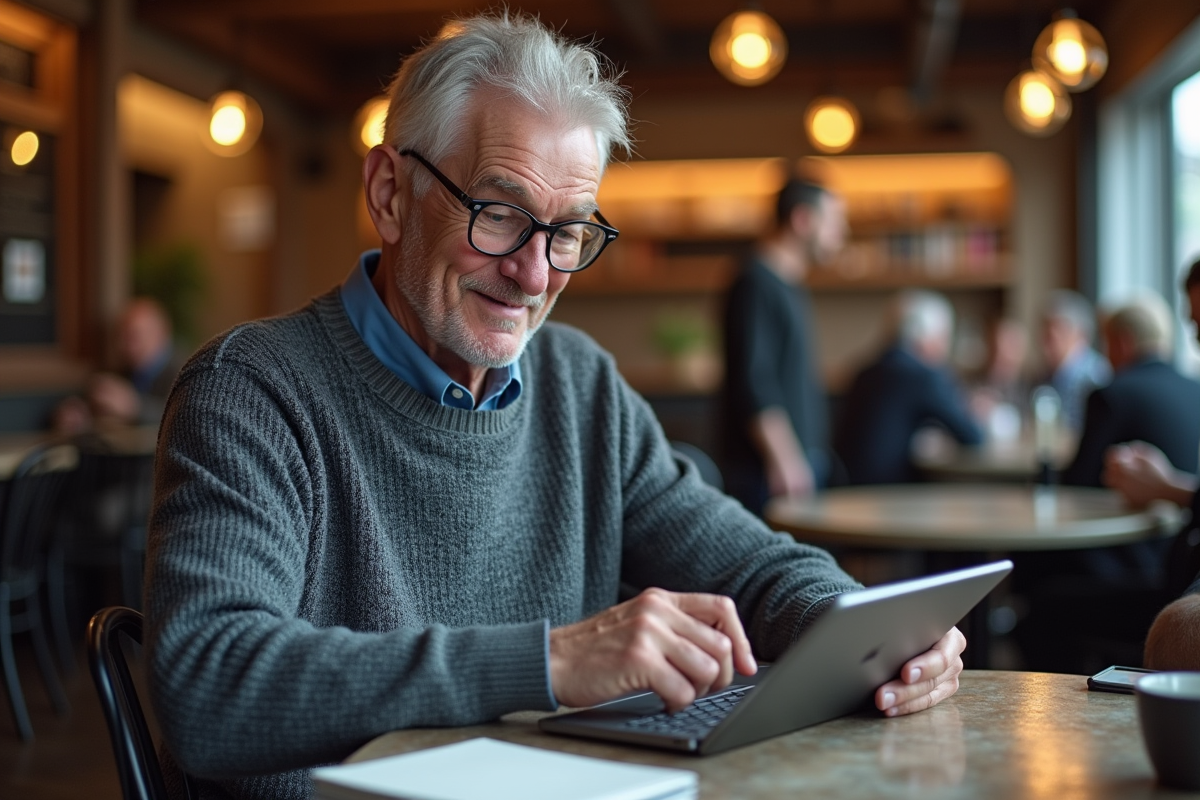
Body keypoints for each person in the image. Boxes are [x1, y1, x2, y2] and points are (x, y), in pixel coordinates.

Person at [143, 14, 966, 800]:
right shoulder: (252, 388)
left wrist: (867, 630)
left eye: (568, 232)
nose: (535, 275)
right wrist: (546, 663)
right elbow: (205, 681)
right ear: (390, 194)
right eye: (500, 215)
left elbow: (748, 564)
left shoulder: (579, 382)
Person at [720, 179, 847, 515]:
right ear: (803, 219)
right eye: (834, 221)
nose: (842, 231)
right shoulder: (755, 283)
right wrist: (787, 461)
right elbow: (755, 382)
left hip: (797, 464)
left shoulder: (788, 283)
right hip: (770, 474)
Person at [834, 290, 983, 485]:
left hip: (849, 490)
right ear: (929, 338)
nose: (944, 349)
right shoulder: (922, 376)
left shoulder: (865, 372)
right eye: (943, 339)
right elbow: (973, 436)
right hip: (890, 494)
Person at [1061, 292, 1200, 488]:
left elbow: (1080, 480)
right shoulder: (1195, 389)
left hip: (1123, 515)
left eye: (1106, 344)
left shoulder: (1110, 396)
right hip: (1186, 515)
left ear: (1123, 343)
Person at [53, 296, 182, 432]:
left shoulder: (184, 372)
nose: (123, 345)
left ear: (160, 334)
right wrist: (80, 412)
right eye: (120, 337)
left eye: (132, 336)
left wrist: (133, 406)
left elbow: (182, 417)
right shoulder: (123, 370)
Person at [1036, 290, 1111, 433]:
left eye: (1051, 336)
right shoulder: (1046, 375)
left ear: (1078, 334)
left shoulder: (1096, 376)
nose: (1044, 344)